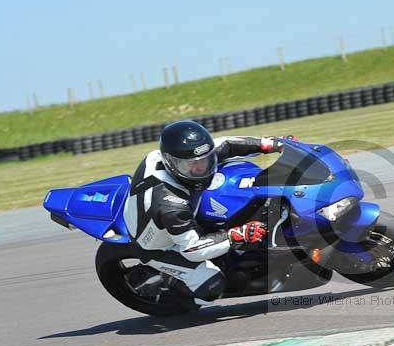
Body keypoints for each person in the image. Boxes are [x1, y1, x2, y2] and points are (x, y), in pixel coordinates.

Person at [122, 119, 289, 306]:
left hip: (169, 214)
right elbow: (193, 249)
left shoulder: (183, 156)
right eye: (191, 166)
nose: (201, 168)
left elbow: (224, 145)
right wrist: (238, 234)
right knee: (212, 287)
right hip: (161, 246)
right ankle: (160, 279)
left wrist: (269, 144)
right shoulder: (171, 204)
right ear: (171, 164)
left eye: (205, 160)